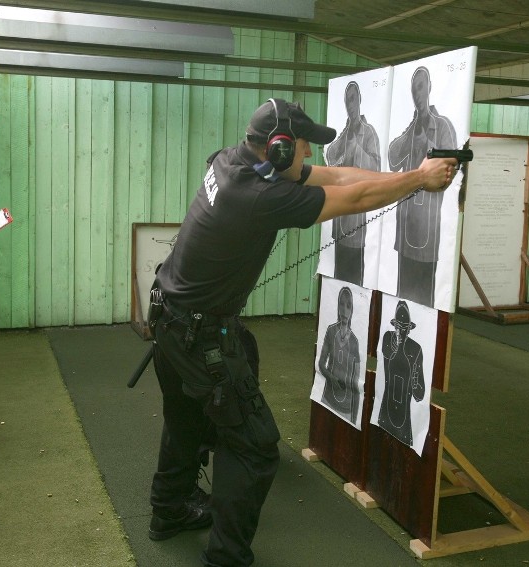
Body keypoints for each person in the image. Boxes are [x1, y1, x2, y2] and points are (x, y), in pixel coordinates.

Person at [147, 98, 455, 566]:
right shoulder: (258, 195)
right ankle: (225, 558)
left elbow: (338, 177)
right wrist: (418, 180)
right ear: (278, 147)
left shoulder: (234, 162)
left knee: (187, 422)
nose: (310, 157)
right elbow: (350, 198)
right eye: (305, 147)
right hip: (198, 333)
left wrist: (411, 172)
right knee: (252, 447)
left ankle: (169, 511)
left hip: (171, 321)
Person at [388, 66, 458, 307]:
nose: (417, 93)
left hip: (428, 231)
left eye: (420, 86)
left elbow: (452, 172)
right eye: (413, 88)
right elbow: (392, 159)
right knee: (403, 294)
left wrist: (426, 142)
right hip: (405, 226)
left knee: (424, 297)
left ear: (429, 88)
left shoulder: (443, 126)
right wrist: (411, 132)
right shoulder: (411, 129)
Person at [325, 81, 382, 286]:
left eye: (352, 99)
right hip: (339, 220)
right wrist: (345, 137)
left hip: (357, 220)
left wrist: (356, 148)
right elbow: (330, 156)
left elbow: (376, 168)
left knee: (354, 277)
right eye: (346, 100)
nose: (349, 104)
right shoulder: (345, 133)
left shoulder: (368, 133)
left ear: (359, 100)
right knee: (339, 275)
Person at [377, 300, 425, 446]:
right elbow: (387, 353)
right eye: (398, 327)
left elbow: (420, 393)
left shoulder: (415, 349)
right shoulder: (388, 337)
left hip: (404, 415)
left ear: (409, 329)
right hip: (386, 408)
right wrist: (394, 348)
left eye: (404, 328)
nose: (401, 331)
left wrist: (414, 377)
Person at [317, 285, 361, 423]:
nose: (344, 310)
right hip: (328, 398)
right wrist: (331, 378)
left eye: (348, 306)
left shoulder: (354, 341)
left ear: (352, 310)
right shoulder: (331, 331)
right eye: (341, 304)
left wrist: (354, 418)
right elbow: (321, 363)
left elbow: (356, 382)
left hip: (346, 407)